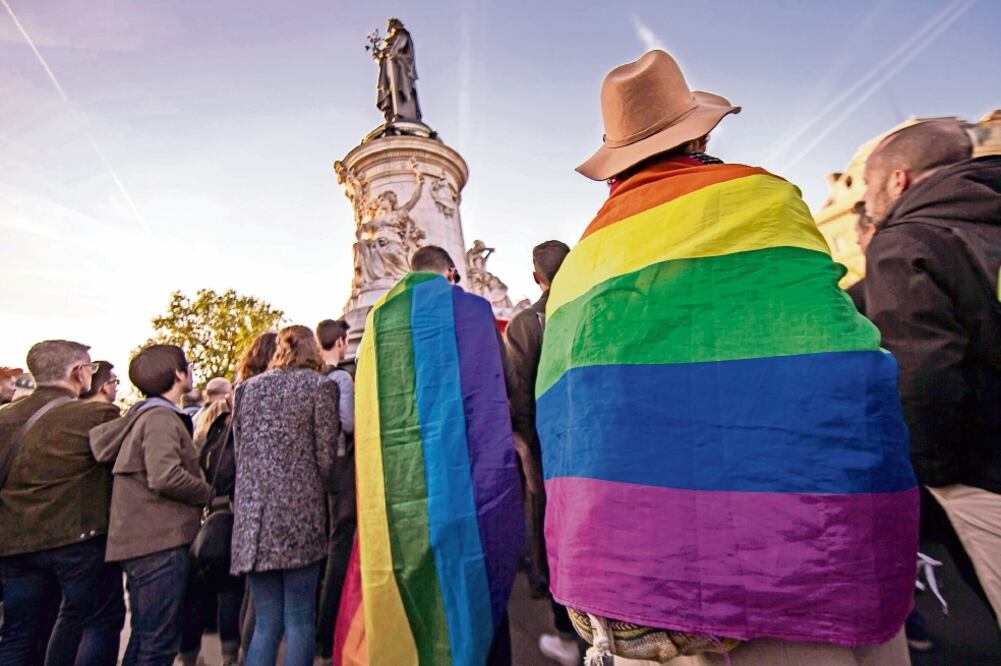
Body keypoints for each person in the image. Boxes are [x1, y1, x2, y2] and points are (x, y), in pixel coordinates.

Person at [538, 50, 917, 665]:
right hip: (787, 534)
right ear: (701, 132)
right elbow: (834, 352)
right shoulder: (757, 197)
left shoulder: (585, 258)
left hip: (640, 571)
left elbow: (571, 417)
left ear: (615, 158)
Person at [331, 246, 523, 666]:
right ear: (452, 273)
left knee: (416, 577)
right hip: (472, 474)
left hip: (404, 486)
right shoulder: (473, 310)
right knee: (479, 571)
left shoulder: (381, 319)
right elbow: (504, 384)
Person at [861, 120, 1001, 627]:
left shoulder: (906, 241)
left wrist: (932, 473)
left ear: (898, 180)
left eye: (870, 187)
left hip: (983, 475)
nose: (869, 203)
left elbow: (924, 377)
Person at [0, 341, 125, 665]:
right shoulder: (96, 414)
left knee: (18, 633)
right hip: (77, 538)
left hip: (16, 541)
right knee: (99, 622)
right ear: (78, 372)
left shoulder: (4, 418)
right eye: (90, 368)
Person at [90, 344, 212, 666]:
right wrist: (208, 493)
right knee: (157, 644)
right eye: (188, 365)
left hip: (144, 542)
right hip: (160, 543)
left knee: (147, 639)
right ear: (177, 375)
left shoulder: (146, 415)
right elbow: (165, 476)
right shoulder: (160, 418)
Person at [230, 326, 340, 666]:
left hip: (252, 519)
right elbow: (325, 456)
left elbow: (241, 451)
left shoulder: (246, 389)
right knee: (299, 619)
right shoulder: (321, 387)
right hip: (298, 514)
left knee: (265, 622)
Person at [502, 240, 580, 664]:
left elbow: (520, 396)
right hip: (597, 444)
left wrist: (527, 449)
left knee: (554, 538)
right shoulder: (593, 307)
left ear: (536, 277)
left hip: (550, 451)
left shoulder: (525, 323)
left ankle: (568, 632)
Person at [178, 395, 243, 666]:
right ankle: (229, 655)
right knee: (228, 590)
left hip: (196, 521)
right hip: (224, 516)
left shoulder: (197, 441)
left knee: (194, 595)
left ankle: (189, 655)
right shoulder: (227, 440)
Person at [314, 318, 355, 664]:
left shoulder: (310, 378)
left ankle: (319, 627)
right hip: (341, 470)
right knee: (340, 547)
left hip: (314, 474)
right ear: (341, 342)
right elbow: (350, 423)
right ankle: (328, 631)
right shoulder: (340, 378)